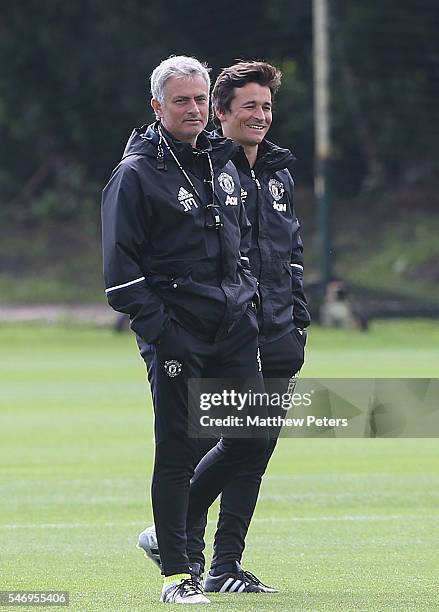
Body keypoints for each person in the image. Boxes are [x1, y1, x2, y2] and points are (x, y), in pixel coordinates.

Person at [138, 61, 311, 594]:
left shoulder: (278, 172)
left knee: (253, 451)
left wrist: (298, 321)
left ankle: (224, 566)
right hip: (233, 331)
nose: (260, 116)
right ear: (220, 114)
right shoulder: (212, 169)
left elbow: (290, 254)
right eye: (248, 107)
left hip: (279, 334)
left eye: (266, 106)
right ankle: (177, 554)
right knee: (208, 445)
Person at [101, 55, 267, 605]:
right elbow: (121, 275)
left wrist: (246, 298)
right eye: (181, 100)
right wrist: (164, 333)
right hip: (176, 331)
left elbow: (238, 243)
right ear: (158, 107)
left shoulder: (222, 161)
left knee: (253, 433)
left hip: (232, 325)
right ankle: (178, 573)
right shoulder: (136, 174)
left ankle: (167, 534)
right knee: (178, 447)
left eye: (199, 99)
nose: (193, 109)